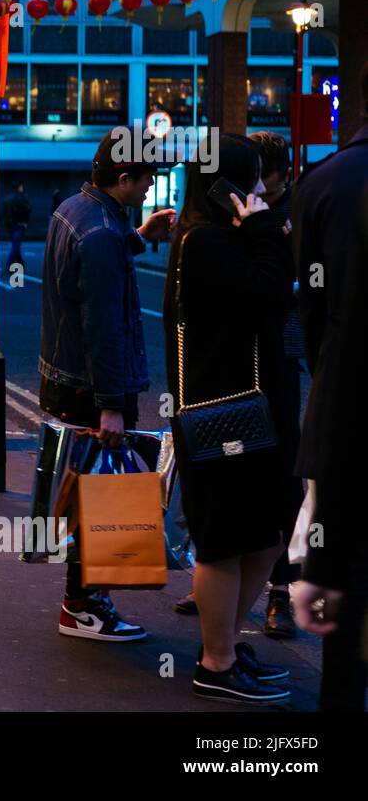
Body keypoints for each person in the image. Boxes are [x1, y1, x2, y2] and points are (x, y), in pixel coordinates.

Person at [164, 134, 295, 703]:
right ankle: (215, 662)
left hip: (249, 407)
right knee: (223, 540)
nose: (259, 188)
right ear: (223, 186)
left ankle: (222, 642)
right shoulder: (205, 242)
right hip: (223, 414)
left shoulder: (214, 237)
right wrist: (266, 231)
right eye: (250, 178)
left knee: (264, 533)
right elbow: (268, 292)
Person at [38, 127, 176, 642]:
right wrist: (112, 406)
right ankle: (83, 605)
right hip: (90, 389)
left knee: (87, 494)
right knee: (102, 497)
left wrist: (139, 235)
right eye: (145, 181)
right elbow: (103, 326)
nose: (148, 190)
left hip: (66, 379)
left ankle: (86, 601)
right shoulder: (98, 233)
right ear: (123, 177)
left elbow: (91, 272)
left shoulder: (74, 211)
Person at [291, 67, 368, 712]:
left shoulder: (323, 184)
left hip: (350, 403)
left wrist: (332, 365)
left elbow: (311, 302)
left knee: (344, 582)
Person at [249, 131, 306, 640]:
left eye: (264, 176)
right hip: (240, 359)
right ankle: (227, 583)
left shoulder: (298, 215)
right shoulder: (239, 208)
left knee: (285, 477)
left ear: (283, 175)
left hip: (282, 360)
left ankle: (280, 593)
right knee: (233, 469)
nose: (257, 187)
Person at [0, 181, 32, 273]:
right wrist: (26, 222)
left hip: (9, 224)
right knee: (15, 244)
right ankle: (10, 264)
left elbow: (3, 212)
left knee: (15, 243)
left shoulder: (7, 198)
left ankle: (20, 263)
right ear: (19, 187)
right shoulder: (22, 198)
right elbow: (27, 210)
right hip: (19, 224)